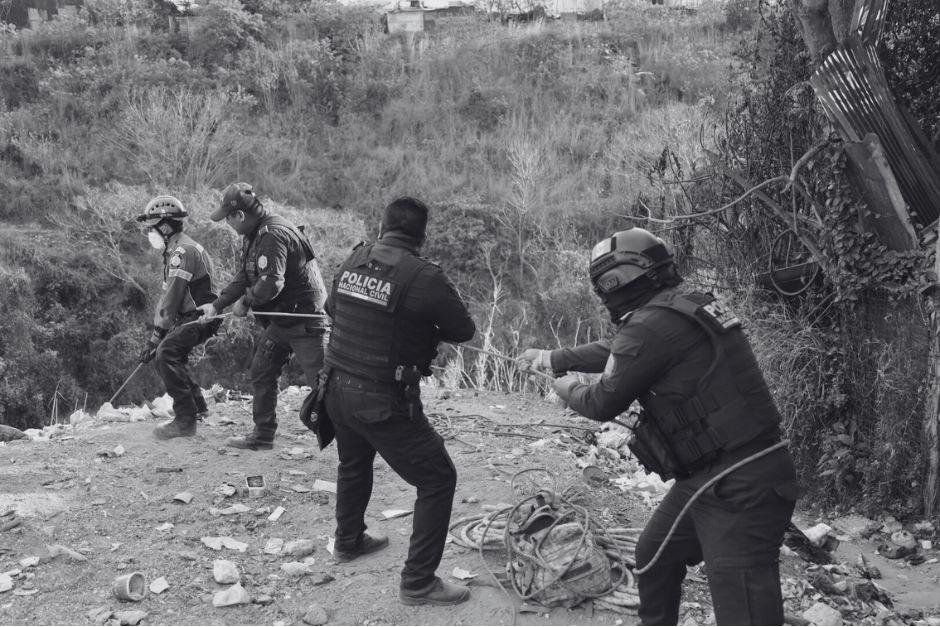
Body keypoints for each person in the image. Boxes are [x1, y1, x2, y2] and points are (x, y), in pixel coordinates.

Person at [518, 227, 800, 626]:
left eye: (605, 284)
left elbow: (602, 402)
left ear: (619, 280)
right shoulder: (679, 306)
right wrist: (554, 357)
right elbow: (626, 351)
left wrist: (567, 388)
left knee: (745, 614)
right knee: (654, 556)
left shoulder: (651, 323)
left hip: (741, 484)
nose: (604, 294)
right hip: (713, 476)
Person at [320, 197, 476, 606]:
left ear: (381, 226)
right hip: (380, 399)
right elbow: (463, 329)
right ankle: (419, 582)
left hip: (334, 389)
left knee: (353, 463)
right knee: (438, 477)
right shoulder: (425, 277)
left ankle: (348, 541)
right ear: (422, 236)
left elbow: (330, 308)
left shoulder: (354, 259)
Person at [197, 182, 329, 451]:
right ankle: (263, 434)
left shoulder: (272, 235)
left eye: (228, 219)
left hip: (306, 320)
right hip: (282, 320)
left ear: (240, 216)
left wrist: (246, 302)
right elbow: (245, 275)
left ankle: (356, 440)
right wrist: (218, 305)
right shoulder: (253, 234)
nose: (228, 225)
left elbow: (271, 284)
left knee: (325, 386)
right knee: (262, 370)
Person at [136, 195, 221, 440]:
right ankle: (199, 408)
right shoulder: (176, 249)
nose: (149, 233)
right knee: (175, 355)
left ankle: (185, 421)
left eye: (151, 228)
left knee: (165, 354)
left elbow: (171, 300)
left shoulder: (182, 252)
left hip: (201, 316)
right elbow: (168, 299)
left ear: (164, 227)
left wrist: (155, 339)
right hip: (190, 315)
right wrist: (157, 336)